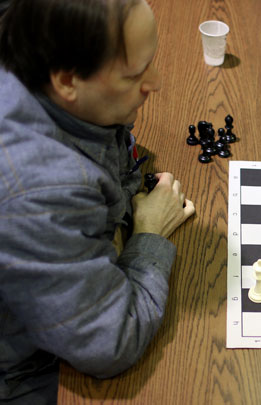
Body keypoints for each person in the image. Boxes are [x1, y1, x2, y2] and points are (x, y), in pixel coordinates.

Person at [0, 0, 195, 403]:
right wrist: (148, 232)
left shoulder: (57, 77)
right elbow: (110, 343)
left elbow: (116, 151)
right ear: (68, 81)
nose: (156, 83)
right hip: (20, 369)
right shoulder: (40, 193)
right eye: (135, 73)